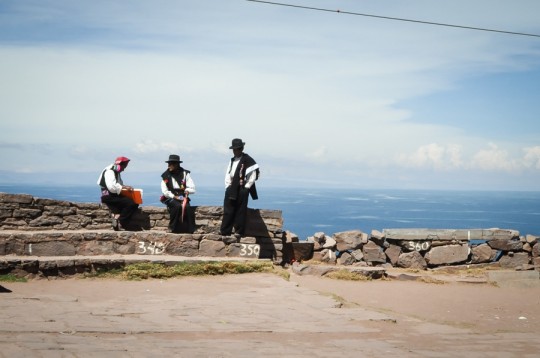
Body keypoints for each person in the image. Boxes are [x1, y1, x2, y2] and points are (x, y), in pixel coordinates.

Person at [220, 138, 260, 237]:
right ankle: (225, 231)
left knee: (240, 210)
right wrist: (228, 186)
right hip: (231, 187)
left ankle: (239, 231)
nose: (235, 151)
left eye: (237, 149)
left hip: (242, 188)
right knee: (228, 209)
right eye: (234, 149)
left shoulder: (248, 160)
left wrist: (246, 187)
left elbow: (253, 175)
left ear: (241, 149)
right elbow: (228, 174)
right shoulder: (232, 160)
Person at [97, 156, 139, 231]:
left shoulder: (115, 172)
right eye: (124, 167)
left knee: (134, 202)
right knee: (131, 203)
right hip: (109, 196)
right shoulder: (110, 171)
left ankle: (117, 218)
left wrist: (124, 187)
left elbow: (118, 184)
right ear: (120, 165)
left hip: (112, 195)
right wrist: (124, 188)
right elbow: (112, 187)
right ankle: (121, 222)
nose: (123, 169)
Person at [160, 154, 196, 233]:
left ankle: (192, 229)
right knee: (176, 206)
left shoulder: (185, 174)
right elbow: (165, 191)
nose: (169, 166)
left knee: (188, 208)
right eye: (168, 164)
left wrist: (187, 191)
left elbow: (192, 187)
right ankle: (171, 227)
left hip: (183, 197)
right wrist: (174, 196)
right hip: (170, 197)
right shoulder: (165, 176)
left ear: (177, 164)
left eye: (171, 164)